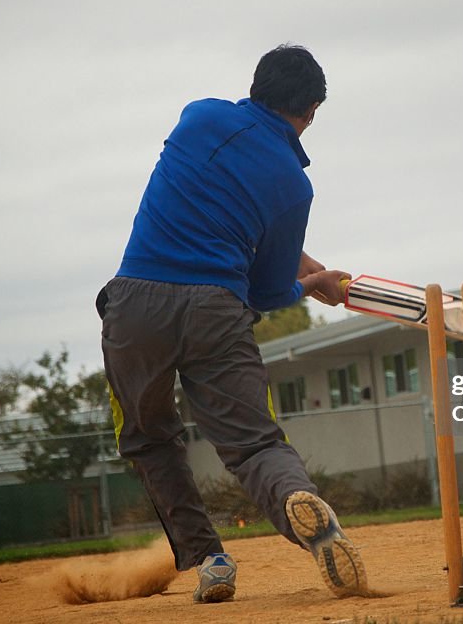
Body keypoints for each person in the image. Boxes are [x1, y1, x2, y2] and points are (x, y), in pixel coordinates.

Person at [98, 45, 367, 602]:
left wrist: (298, 261)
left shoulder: (200, 115)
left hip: (136, 304)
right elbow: (269, 290)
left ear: (256, 84)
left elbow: (212, 198)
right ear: (312, 109)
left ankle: (210, 560)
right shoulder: (294, 187)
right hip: (216, 310)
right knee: (254, 445)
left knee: (150, 438)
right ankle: (300, 507)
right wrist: (311, 283)